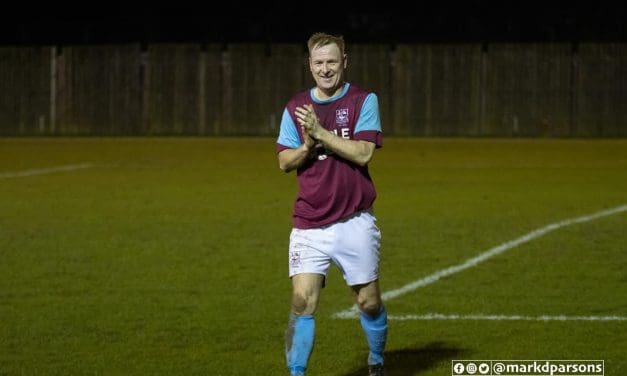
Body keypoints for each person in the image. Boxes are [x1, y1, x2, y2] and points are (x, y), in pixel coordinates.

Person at [276, 32, 388, 376]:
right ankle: (296, 373)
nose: (325, 69)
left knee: (368, 303)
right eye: (319, 62)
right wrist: (307, 146)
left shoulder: (363, 100)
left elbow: (365, 152)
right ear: (309, 65)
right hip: (309, 222)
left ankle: (376, 359)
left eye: (332, 62)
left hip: (354, 221)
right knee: (301, 301)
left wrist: (322, 135)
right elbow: (284, 162)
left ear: (344, 63)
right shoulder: (295, 107)